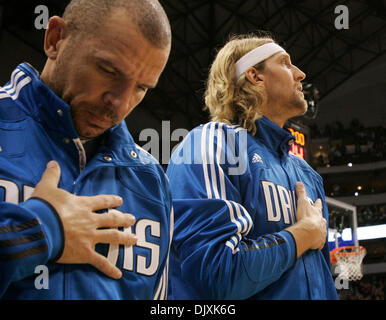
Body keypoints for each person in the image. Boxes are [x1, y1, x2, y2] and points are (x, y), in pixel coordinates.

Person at [0, 0, 173, 299]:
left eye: (141, 88)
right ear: (55, 39)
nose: (121, 104)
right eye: (108, 70)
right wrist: (40, 231)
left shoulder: (152, 181)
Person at [166, 34, 339, 299]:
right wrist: (302, 235)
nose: (301, 74)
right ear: (255, 76)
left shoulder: (308, 175)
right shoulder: (212, 144)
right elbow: (217, 275)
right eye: (285, 62)